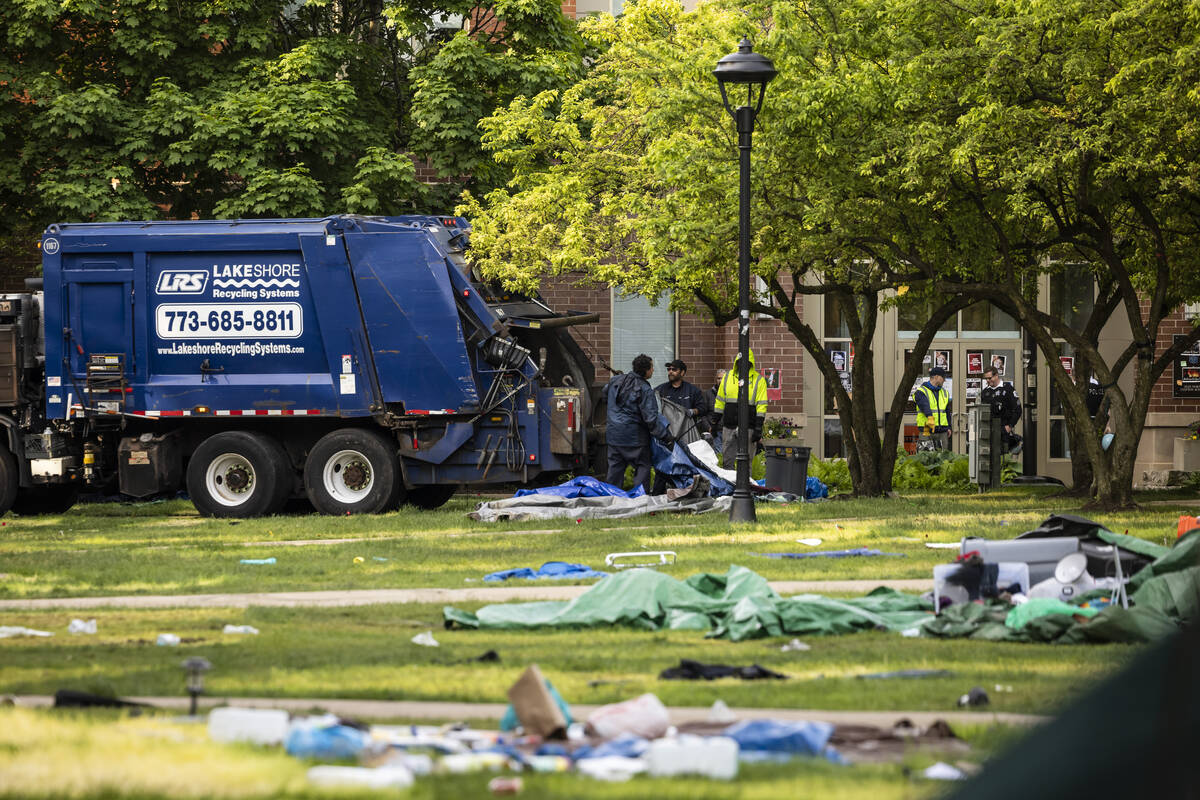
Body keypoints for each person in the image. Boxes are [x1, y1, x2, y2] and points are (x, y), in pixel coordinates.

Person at [605, 354, 671, 493]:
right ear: (646, 370)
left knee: (615, 469)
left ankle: (610, 498)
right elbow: (651, 419)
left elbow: (605, 394)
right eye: (652, 367)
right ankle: (640, 499)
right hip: (635, 439)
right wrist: (666, 437)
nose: (653, 370)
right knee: (642, 466)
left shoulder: (615, 381)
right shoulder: (644, 389)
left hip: (614, 436)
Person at [649, 359, 707, 494]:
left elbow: (703, 408)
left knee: (686, 465)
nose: (670, 372)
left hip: (685, 436)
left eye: (674, 369)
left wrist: (693, 411)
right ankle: (658, 493)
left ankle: (687, 491)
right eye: (669, 369)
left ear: (683, 372)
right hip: (666, 436)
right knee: (663, 465)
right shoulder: (660, 390)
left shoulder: (692, 391)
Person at [710, 349, 768, 469]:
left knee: (747, 463)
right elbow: (719, 401)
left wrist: (758, 427)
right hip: (729, 426)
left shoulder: (759, 380)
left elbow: (762, 406)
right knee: (727, 461)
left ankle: (746, 486)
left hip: (749, 427)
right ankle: (728, 487)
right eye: (740, 362)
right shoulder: (727, 377)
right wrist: (714, 422)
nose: (743, 365)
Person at [981, 365, 1022, 454]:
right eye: (986, 379)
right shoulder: (985, 393)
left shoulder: (1007, 389)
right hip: (989, 431)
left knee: (1003, 461)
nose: (988, 380)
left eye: (990, 378)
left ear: (996, 376)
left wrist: (1010, 426)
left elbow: (1018, 410)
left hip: (1003, 431)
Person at [913, 366, 951, 446]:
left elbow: (947, 411)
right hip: (927, 429)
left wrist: (949, 427)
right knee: (926, 456)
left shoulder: (944, 393)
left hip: (942, 430)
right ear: (936, 377)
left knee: (943, 457)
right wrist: (930, 416)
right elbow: (924, 405)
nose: (944, 380)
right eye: (943, 377)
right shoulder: (921, 391)